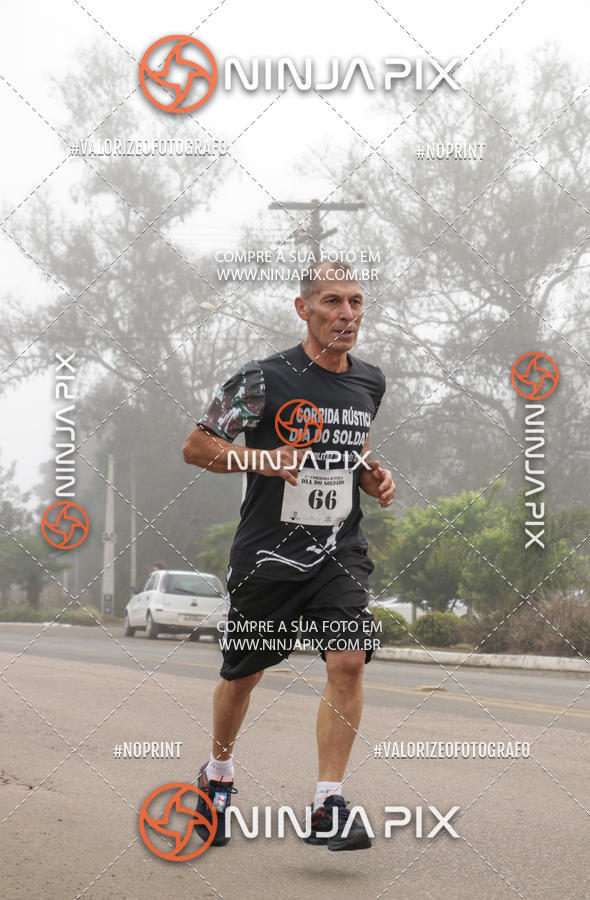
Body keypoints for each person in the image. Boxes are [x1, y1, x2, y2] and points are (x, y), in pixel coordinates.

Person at [183, 260, 395, 851]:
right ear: (303, 309)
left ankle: (328, 802)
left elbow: (355, 448)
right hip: (268, 553)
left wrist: (373, 477)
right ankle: (217, 776)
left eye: (356, 302)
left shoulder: (369, 382)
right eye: (332, 301)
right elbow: (197, 446)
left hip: (338, 549)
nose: (346, 314)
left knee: (348, 661)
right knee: (242, 674)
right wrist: (263, 458)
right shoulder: (262, 379)